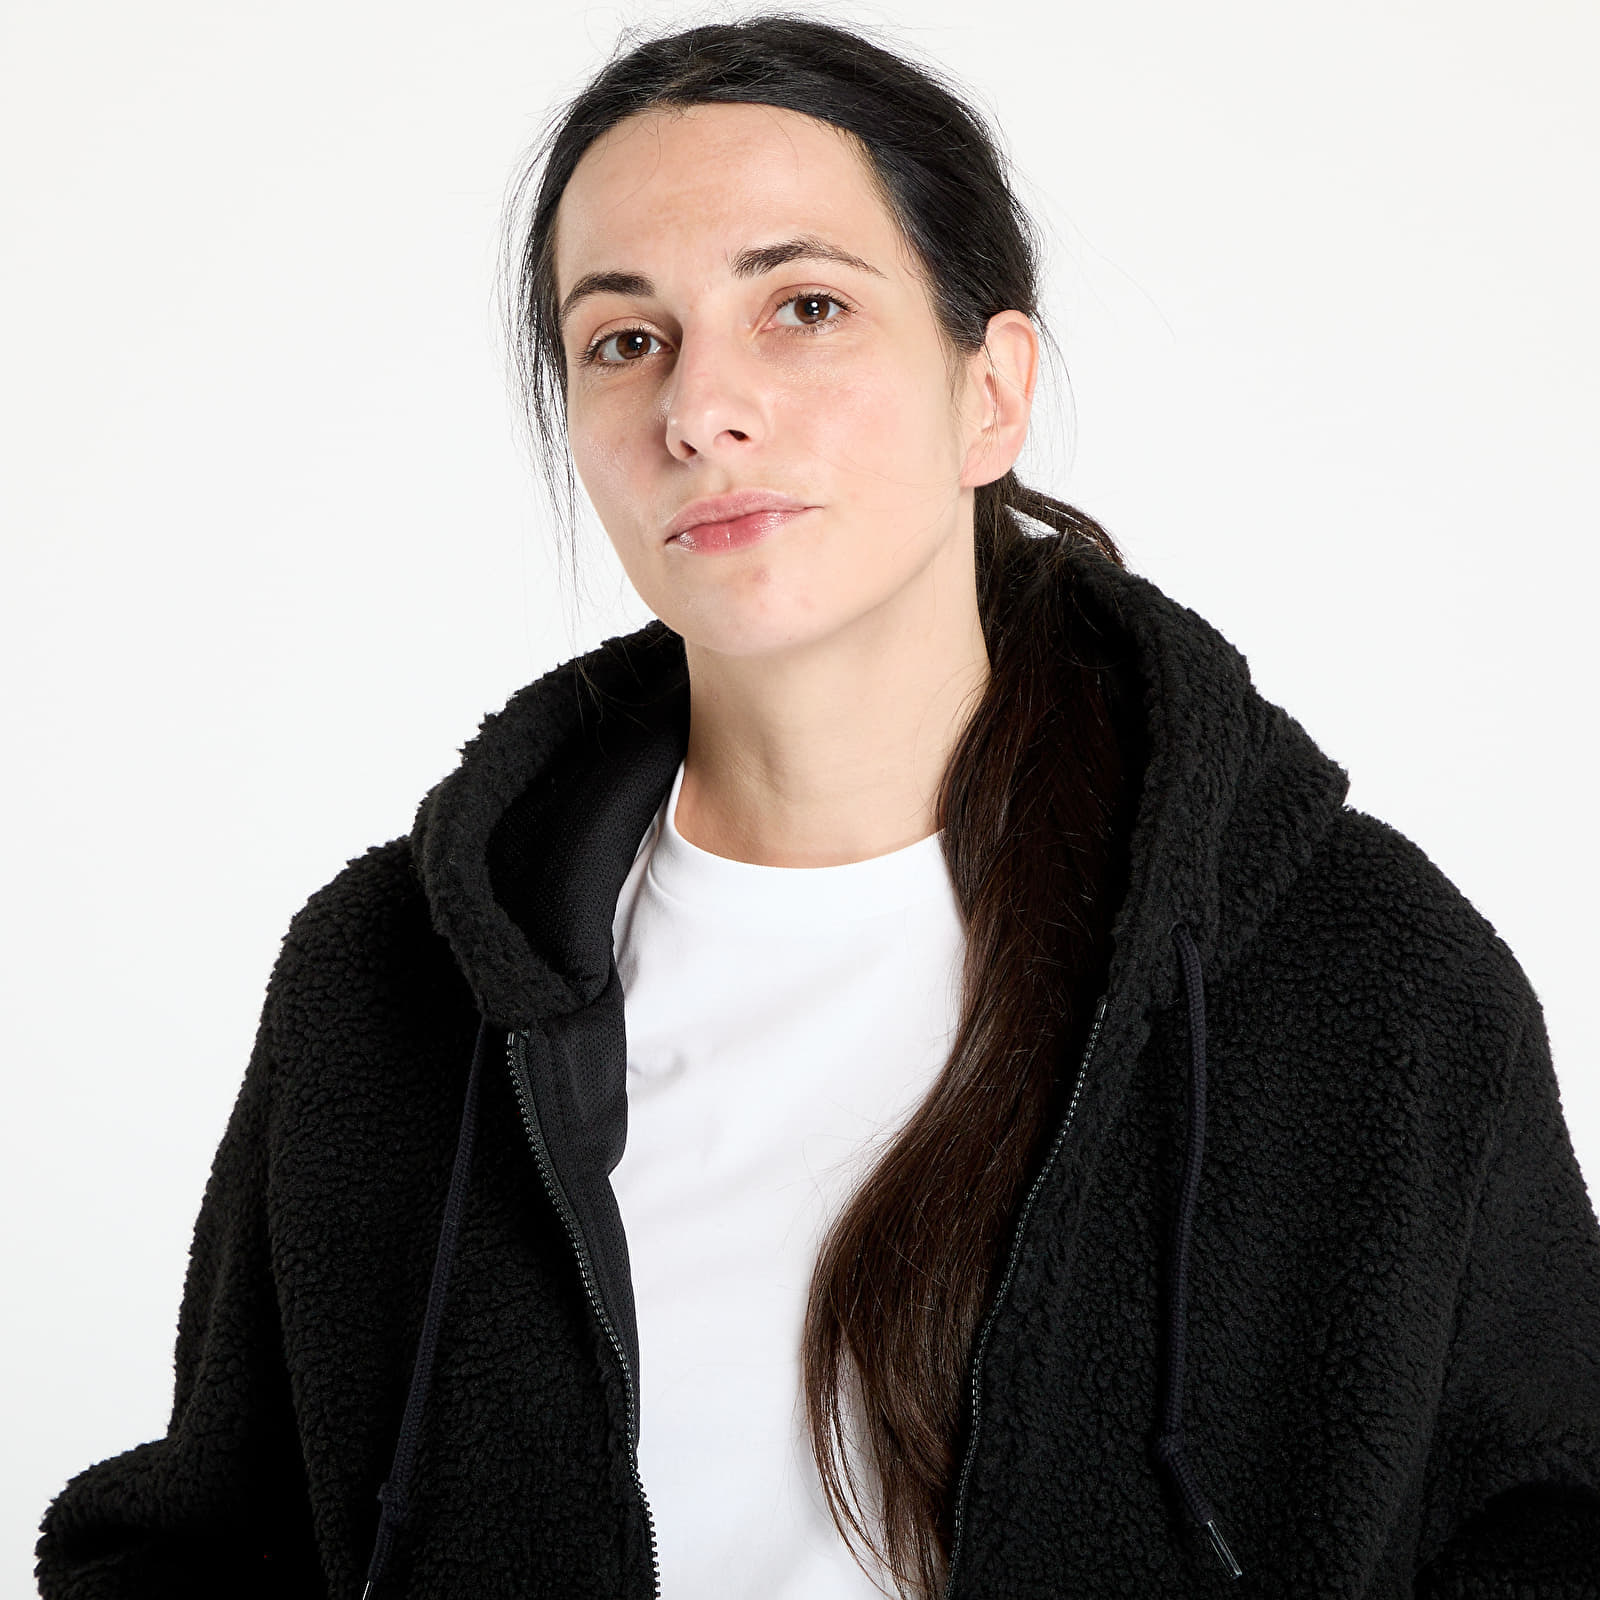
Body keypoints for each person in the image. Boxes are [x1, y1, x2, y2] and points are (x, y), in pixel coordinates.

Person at [34, 13, 1600, 1600]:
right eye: (624, 339)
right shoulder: (393, 984)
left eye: (803, 307)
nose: (700, 409)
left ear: (990, 391)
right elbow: (204, 1549)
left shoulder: (1359, 974)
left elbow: (1547, 1528)